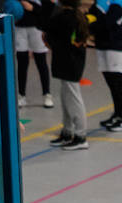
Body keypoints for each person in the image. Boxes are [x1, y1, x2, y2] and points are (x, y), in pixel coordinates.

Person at [43, 0, 91, 151]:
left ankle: (80, 136)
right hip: (69, 64)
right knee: (66, 99)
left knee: (73, 100)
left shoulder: (65, 18)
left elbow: (47, 30)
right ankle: (67, 132)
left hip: (69, 64)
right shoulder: (75, 16)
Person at [89, 0, 122, 132]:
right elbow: (91, 14)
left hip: (116, 47)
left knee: (118, 83)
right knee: (111, 84)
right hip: (102, 46)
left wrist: (90, 26)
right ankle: (117, 115)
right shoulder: (100, 1)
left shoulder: (120, 2)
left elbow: (106, 22)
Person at [14, 0, 55, 109]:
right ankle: (21, 95)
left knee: (41, 62)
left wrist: (33, 8)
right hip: (19, 28)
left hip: (37, 28)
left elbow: (49, 9)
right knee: (22, 63)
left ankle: (47, 94)